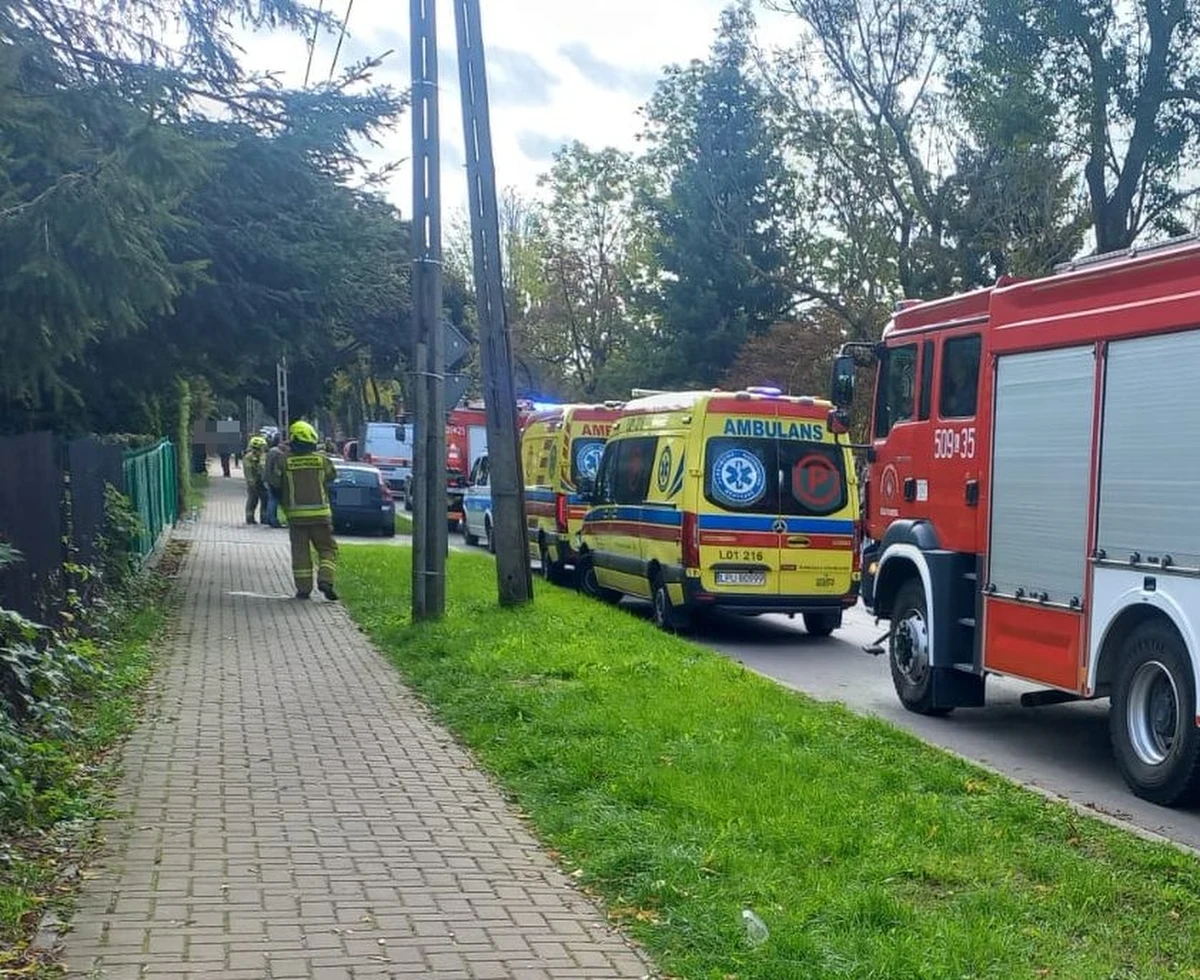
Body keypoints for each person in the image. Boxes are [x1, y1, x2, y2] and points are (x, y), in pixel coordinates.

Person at [276, 420, 338, 601]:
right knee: (327, 549)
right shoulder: (322, 460)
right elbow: (332, 476)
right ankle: (326, 579)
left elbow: (273, 481)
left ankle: (304, 590)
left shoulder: (285, 461)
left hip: (296, 518)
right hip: (321, 516)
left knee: (300, 553)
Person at [243, 435, 269, 524]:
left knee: (265, 499)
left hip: (261, 482)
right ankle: (249, 518)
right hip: (253, 482)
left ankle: (264, 518)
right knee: (253, 500)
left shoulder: (262, 456)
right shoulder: (248, 457)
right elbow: (248, 471)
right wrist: (251, 482)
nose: (264, 449)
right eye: (262, 447)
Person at [264, 435, 286, 528]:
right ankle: (273, 520)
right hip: (276, 481)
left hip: (269, 479)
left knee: (271, 499)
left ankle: (269, 518)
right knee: (274, 500)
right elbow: (278, 469)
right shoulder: (279, 453)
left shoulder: (271, 451)